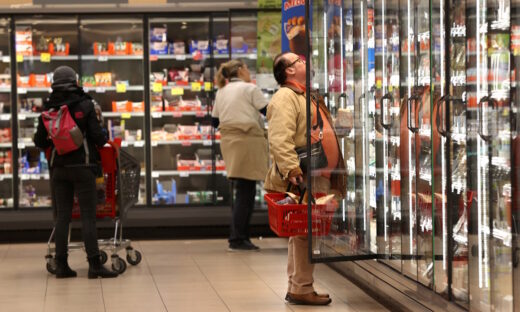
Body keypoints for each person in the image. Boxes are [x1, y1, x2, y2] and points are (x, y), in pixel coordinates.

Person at [265, 52, 347, 305]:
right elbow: (279, 139)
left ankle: (298, 285)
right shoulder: (284, 98)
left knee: (303, 233)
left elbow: (317, 132)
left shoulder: (306, 96)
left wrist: (340, 129)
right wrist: (294, 172)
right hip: (303, 176)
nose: (304, 62)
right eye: (298, 61)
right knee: (304, 233)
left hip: (317, 174)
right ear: (288, 71)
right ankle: (301, 288)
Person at [34, 66, 118, 279]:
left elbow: (39, 141)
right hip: (83, 168)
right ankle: (94, 265)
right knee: (88, 217)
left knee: (62, 217)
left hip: (59, 169)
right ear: (75, 81)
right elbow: (99, 138)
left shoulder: (49, 107)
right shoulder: (86, 104)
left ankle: (61, 265)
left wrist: (57, 141)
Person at [212, 59, 269, 251]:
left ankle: (239, 235)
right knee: (246, 191)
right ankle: (237, 238)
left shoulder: (221, 91)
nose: (248, 72)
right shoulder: (249, 89)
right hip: (247, 141)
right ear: (240, 70)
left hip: (229, 143)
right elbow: (268, 111)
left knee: (242, 190)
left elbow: (214, 121)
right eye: (247, 68)